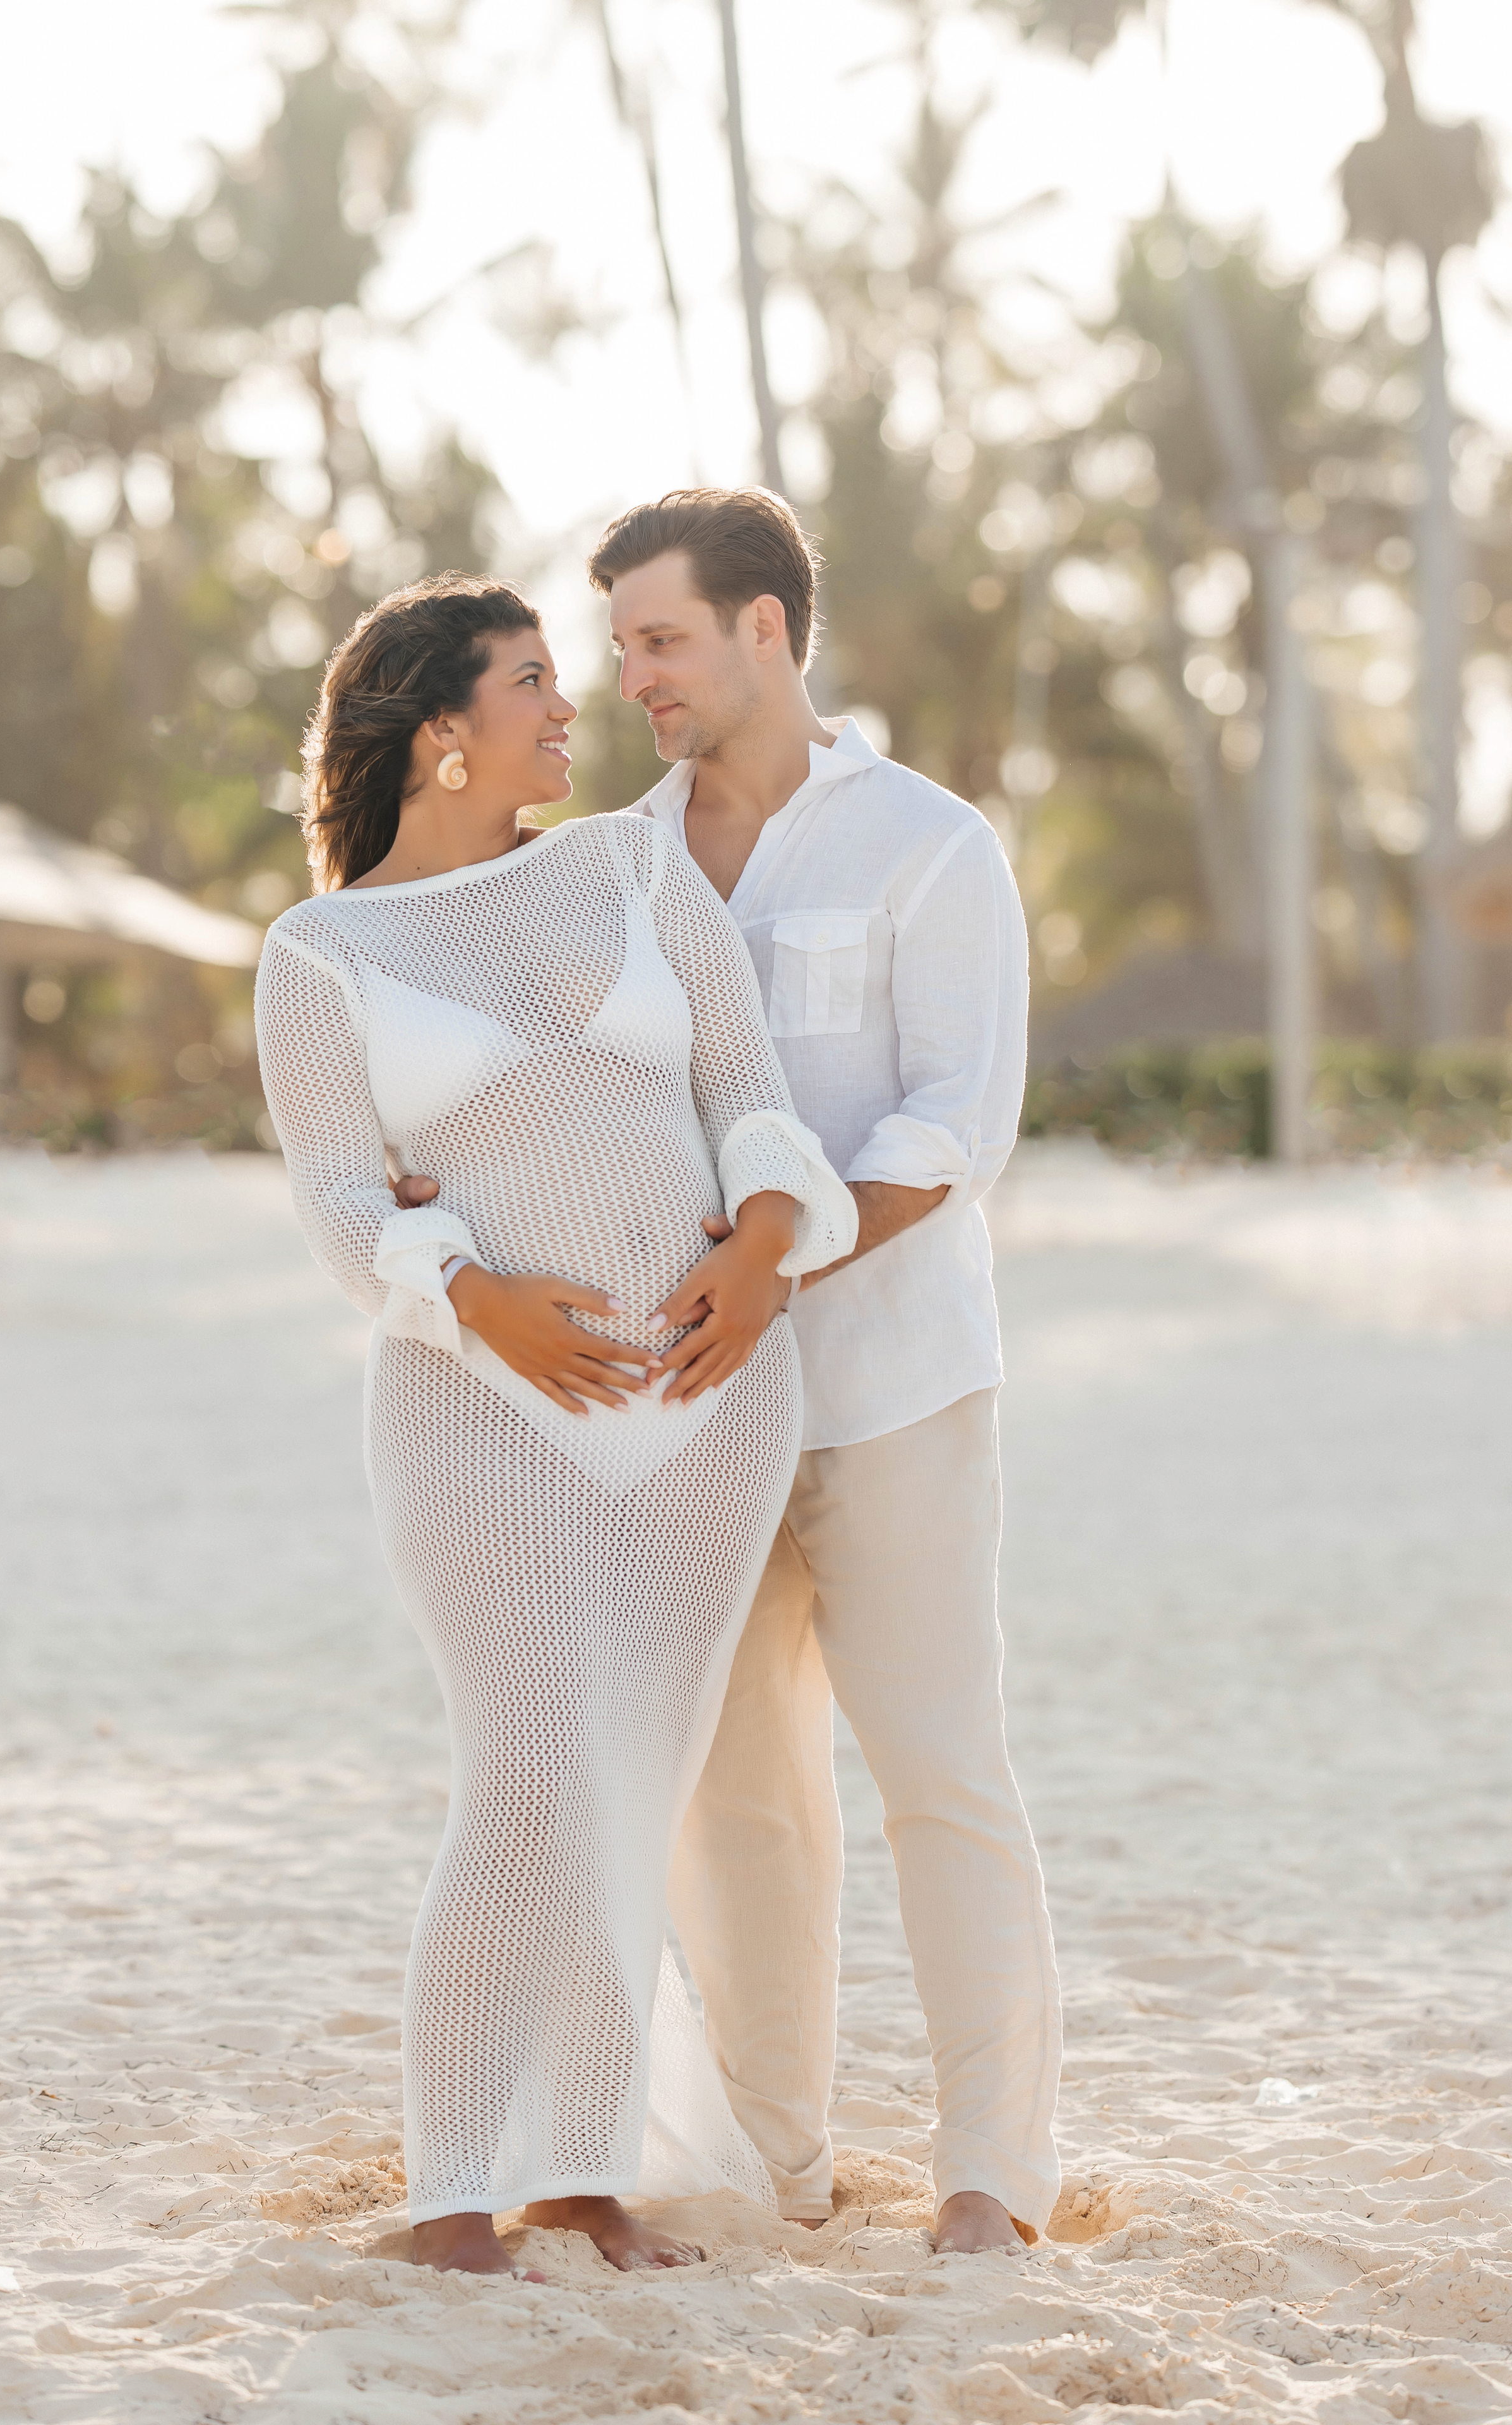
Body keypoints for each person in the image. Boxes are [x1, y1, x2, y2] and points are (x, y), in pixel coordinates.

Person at [403, 489, 1062, 2254]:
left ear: (769, 627)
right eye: (618, 647)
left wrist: (784, 1253)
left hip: (893, 1386)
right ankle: (779, 2166)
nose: (634, 679)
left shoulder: (932, 847)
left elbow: (959, 1123)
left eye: (663, 639)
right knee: (740, 1804)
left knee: (941, 1774)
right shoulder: (610, 867)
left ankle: (992, 2174)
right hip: (689, 1416)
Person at [254, 571, 857, 2280]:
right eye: (530, 678)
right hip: (476, 1413)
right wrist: (474, 1295)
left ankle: (582, 2176)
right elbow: (331, 1200)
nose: (568, 704)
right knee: (522, 1782)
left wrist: (761, 1243)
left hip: (705, 1410)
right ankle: (454, 2193)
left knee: (627, 1793)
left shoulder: (630, 866)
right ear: (441, 732)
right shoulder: (323, 955)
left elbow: (741, 1086)